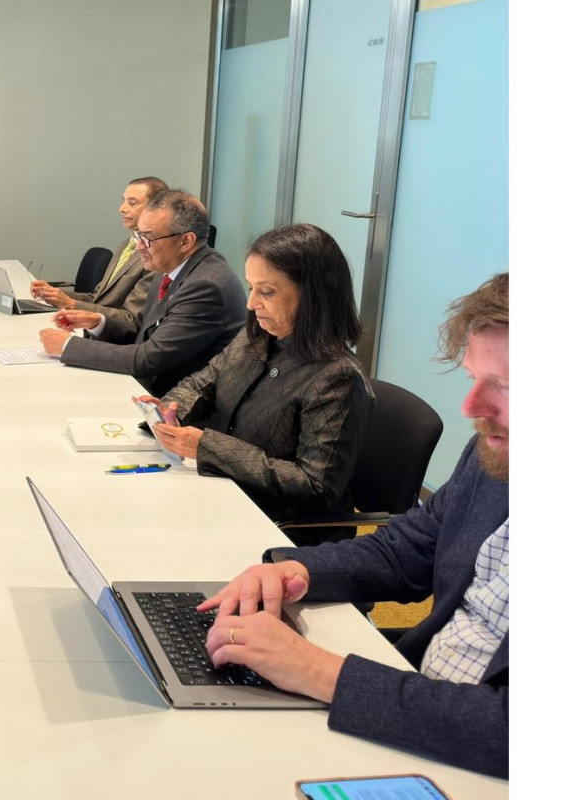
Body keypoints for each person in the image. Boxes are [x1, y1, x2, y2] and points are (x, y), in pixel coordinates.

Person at [199, 273, 509, 778]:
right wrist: (296, 570)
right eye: (475, 378)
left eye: (508, 386)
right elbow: (410, 547)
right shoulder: (497, 452)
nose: (472, 409)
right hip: (418, 704)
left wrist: (317, 670)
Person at [141, 223, 373, 526]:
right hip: (226, 494)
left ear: (313, 296)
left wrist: (208, 447)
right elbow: (201, 383)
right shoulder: (256, 338)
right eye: (251, 288)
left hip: (281, 527)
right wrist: (169, 411)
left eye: (267, 292)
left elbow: (315, 487)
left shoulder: (337, 377)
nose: (251, 304)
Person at [38, 190, 244, 396]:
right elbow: (142, 329)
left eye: (148, 238)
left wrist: (68, 346)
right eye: (138, 234)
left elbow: (150, 359)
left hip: (173, 399)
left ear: (185, 241)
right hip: (146, 384)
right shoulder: (168, 265)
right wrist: (99, 323)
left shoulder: (206, 286)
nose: (139, 246)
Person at [29, 176, 168, 328]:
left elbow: (131, 319)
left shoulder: (155, 257)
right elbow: (98, 299)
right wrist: (55, 295)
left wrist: (70, 304)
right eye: (123, 201)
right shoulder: (125, 246)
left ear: (156, 208)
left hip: (112, 335)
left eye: (132, 203)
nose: (122, 208)